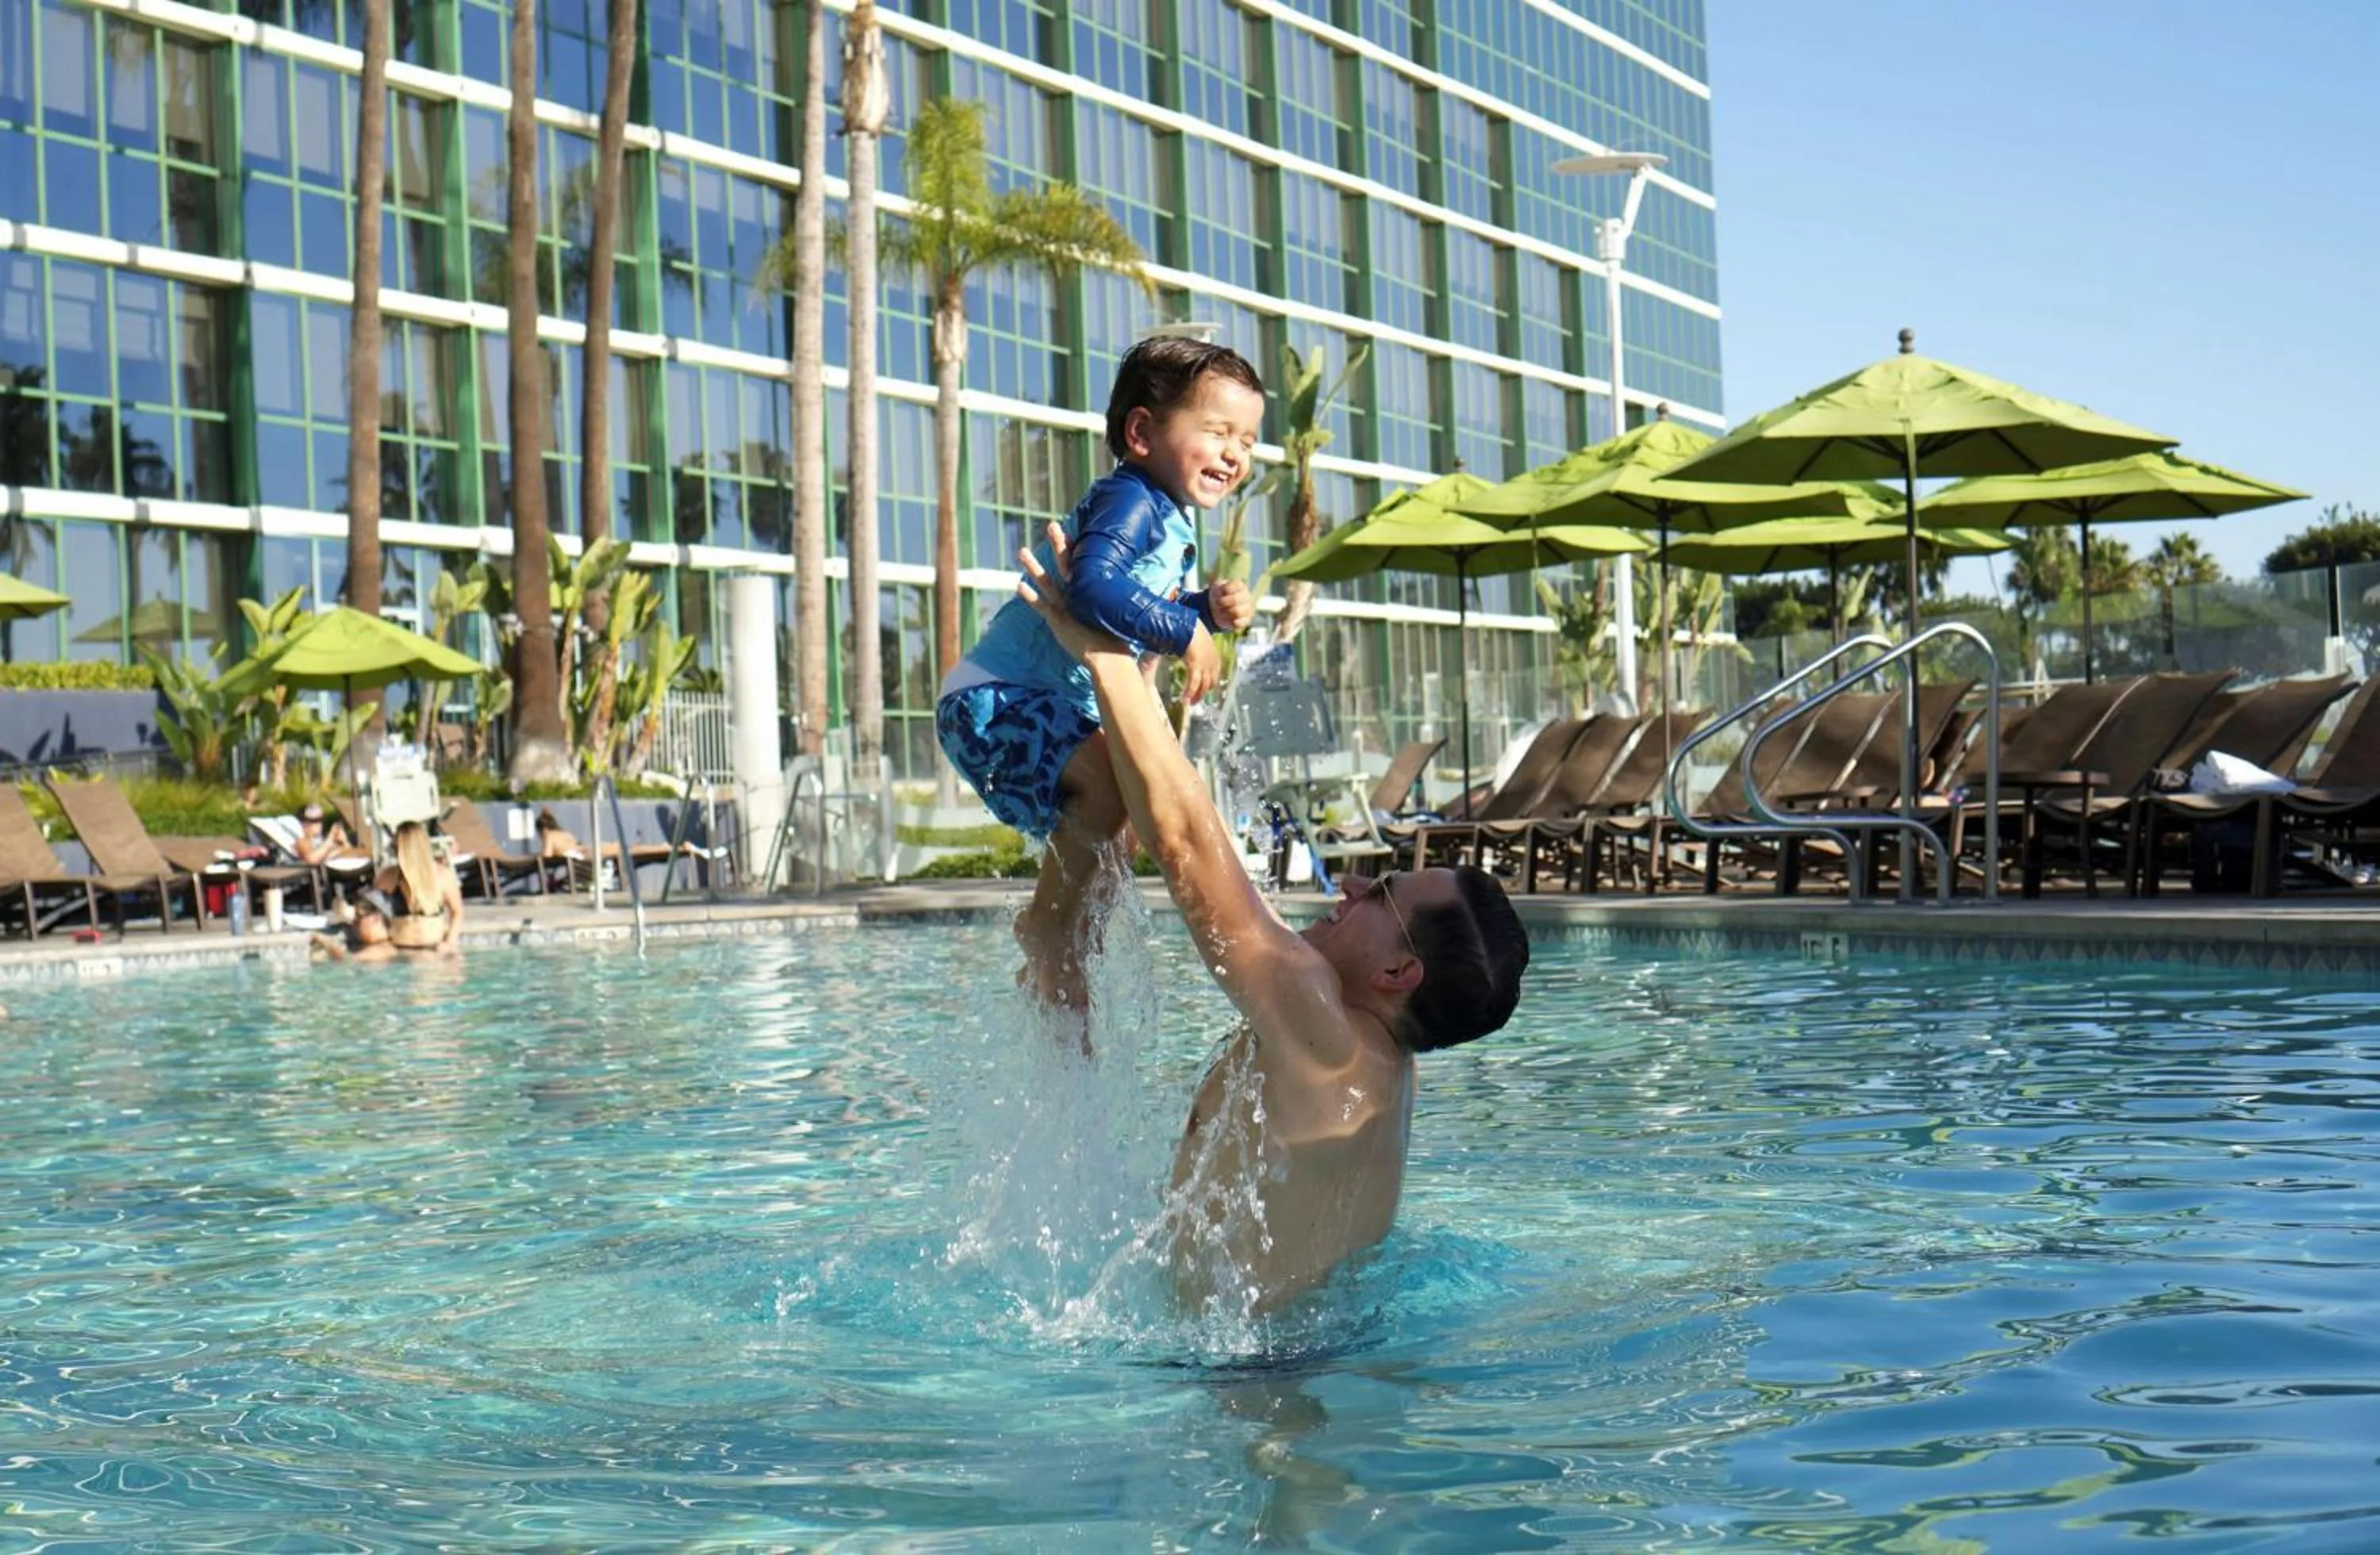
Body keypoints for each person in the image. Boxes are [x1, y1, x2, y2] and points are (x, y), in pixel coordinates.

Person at [1013, 525, 1531, 1315]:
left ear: (1398, 973)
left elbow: (1187, 848)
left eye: (1382, 891)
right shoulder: (1385, 1064)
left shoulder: (1323, 1029)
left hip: (1240, 1385)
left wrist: (1097, 648)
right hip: (1294, 1363)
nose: (1352, 883)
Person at [936, 336, 1264, 1018]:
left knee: (1129, 817)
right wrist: (1186, 629)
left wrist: (1205, 610)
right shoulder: (1130, 500)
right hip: (995, 700)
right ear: (1142, 431)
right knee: (1117, 778)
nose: (1237, 454)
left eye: (1250, 441)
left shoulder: (1166, 518)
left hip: (1044, 704)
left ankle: (1066, 951)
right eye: (1219, 432)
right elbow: (1092, 588)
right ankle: (1048, 929)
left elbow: (1130, 607)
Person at [378, 820, 465, 954]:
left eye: (396, 848)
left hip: (435, 950)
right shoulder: (388, 877)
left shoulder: (442, 876)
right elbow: (373, 914)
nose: (393, 852)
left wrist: (450, 942)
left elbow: (457, 911)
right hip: (401, 950)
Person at [309, 888, 397, 963]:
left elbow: (348, 962)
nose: (354, 923)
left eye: (358, 918)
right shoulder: (385, 949)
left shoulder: (380, 951)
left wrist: (326, 943)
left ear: (376, 918)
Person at [290, 801, 354, 867]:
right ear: (303, 823)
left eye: (320, 820)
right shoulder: (300, 840)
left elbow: (351, 855)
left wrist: (344, 841)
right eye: (314, 821)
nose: (319, 824)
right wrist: (331, 838)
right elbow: (312, 860)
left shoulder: (321, 839)